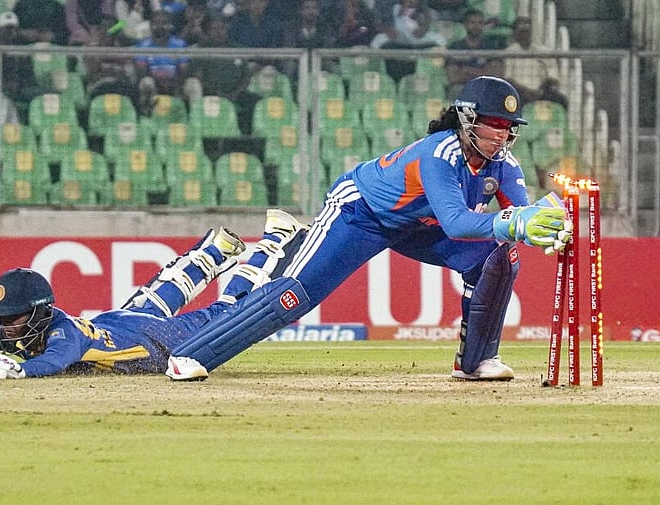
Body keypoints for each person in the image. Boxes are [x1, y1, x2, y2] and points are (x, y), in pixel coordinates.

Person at [165, 76, 573, 382]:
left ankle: (476, 361)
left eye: (508, 126)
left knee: (499, 256)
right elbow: (457, 222)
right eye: (494, 124)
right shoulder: (440, 153)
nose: (502, 134)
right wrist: (516, 222)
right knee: (294, 295)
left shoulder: (504, 165)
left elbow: (519, 218)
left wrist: (548, 223)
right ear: (468, 119)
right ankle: (190, 355)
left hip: (415, 226)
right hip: (360, 213)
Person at [0, 211, 308, 379]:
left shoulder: (63, 334)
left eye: (11, 317)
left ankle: (276, 238)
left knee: (230, 309)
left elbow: (55, 362)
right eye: (0, 318)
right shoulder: (10, 328)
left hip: (162, 341)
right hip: (119, 324)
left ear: (38, 313)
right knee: (158, 292)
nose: (2, 327)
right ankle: (215, 250)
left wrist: (18, 368)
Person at [502, 16, 567, 109]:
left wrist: (540, 91)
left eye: (527, 31)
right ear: (515, 33)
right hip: (518, 92)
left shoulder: (544, 52)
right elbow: (508, 79)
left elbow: (553, 78)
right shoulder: (509, 52)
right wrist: (526, 92)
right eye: (521, 31)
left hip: (542, 92)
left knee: (561, 100)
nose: (524, 34)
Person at [133, 9, 189, 115]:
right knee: (146, 82)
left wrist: (174, 83)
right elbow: (141, 72)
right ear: (150, 25)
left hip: (175, 84)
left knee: (193, 84)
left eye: (164, 23)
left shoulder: (180, 44)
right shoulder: (143, 45)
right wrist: (160, 82)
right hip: (154, 84)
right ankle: (148, 115)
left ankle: (192, 117)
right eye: (156, 23)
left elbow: (183, 70)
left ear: (170, 25)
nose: (160, 26)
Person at [444, 9, 505, 98]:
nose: (476, 26)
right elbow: (453, 77)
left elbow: (496, 74)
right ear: (465, 25)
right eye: (472, 23)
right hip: (462, 88)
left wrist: (468, 71)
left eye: (480, 23)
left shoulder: (492, 46)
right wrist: (483, 72)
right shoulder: (455, 47)